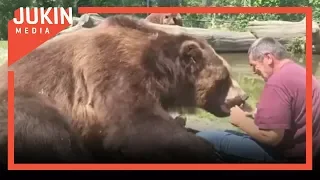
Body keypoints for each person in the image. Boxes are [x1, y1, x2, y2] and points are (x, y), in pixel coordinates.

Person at [196, 37, 320, 163]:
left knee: (204, 137)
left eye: (253, 65)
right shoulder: (299, 72)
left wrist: (240, 121)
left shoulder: (277, 82)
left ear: (268, 58)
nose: (253, 71)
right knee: (226, 133)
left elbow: (272, 137)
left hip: (288, 156)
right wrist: (255, 113)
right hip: (309, 151)